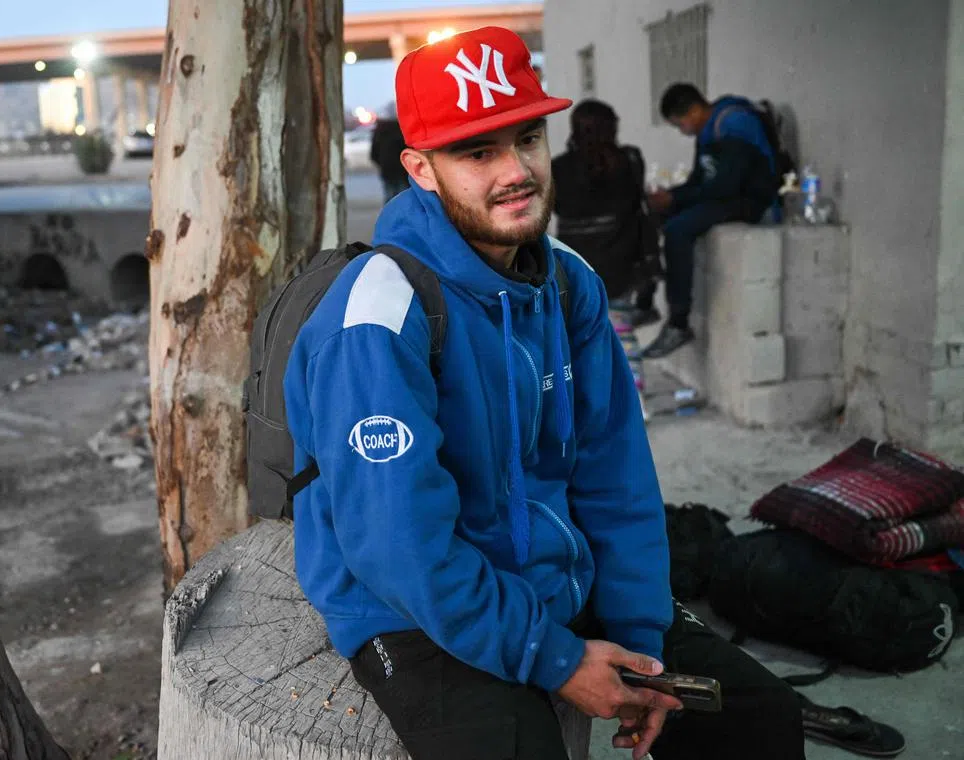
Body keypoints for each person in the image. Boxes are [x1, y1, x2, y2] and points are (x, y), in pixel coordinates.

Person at [284, 27, 803, 760]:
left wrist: (636, 636)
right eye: (477, 152)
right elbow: (399, 545)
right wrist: (555, 659)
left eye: (527, 138)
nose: (516, 171)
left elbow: (613, 474)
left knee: (756, 718)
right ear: (420, 170)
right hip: (413, 606)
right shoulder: (377, 315)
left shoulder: (565, 280)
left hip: (553, 576)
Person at [641, 83, 780, 359]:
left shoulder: (734, 123)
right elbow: (700, 181)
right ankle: (645, 302)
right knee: (652, 217)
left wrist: (677, 201)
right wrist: (670, 196)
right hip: (725, 196)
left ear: (694, 110)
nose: (682, 130)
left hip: (750, 201)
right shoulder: (707, 130)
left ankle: (678, 322)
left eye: (680, 123)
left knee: (678, 229)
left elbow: (726, 184)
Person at [551, 100, 662, 421]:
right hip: (620, 263)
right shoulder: (630, 160)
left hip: (574, 266)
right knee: (622, 331)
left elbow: (554, 212)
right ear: (613, 126)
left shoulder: (557, 168)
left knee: (578, 336)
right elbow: (638, 207)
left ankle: (587, 406)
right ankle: (636, 401)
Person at [371, 101, 411, 202]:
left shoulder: (380, 132)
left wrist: (382, 164)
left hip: (387, 170)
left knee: (389, 197)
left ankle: (390, 216)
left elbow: (373, 153)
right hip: (403, 171)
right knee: (404, 198)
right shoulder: (403, 131)